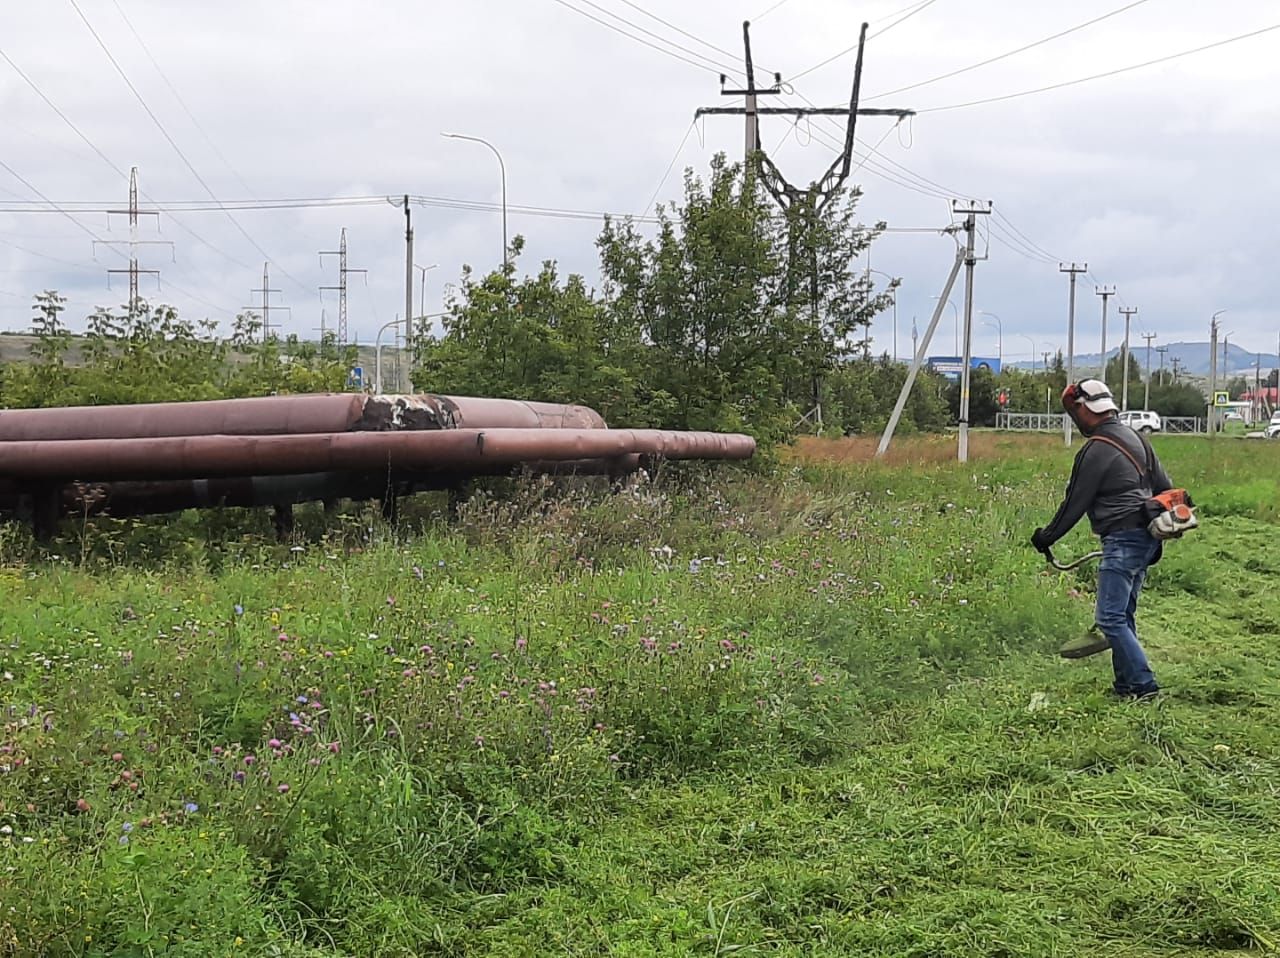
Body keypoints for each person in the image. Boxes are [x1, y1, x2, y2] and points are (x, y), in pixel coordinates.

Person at [1030, 379, 1175, 700]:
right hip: (1146, 538)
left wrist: (1045, 537)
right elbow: (1165, 486)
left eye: (1073, 412)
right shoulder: (1136, 438)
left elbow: (1074, 503)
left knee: (1109, 618)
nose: (1074, 420)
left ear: (1083, 408)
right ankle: (1126, 685)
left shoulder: (1096, 449)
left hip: (1124, 539)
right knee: (1122, 615)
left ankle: (1144, 686)